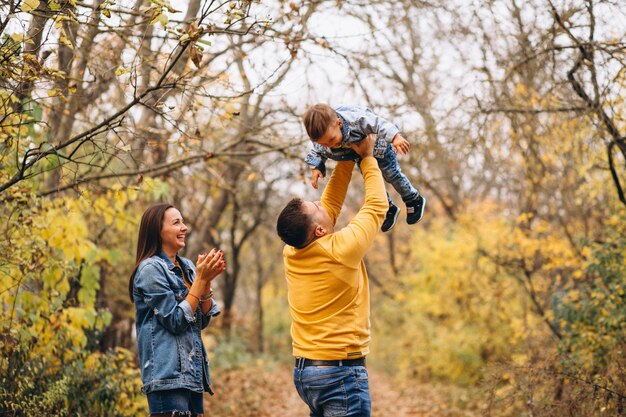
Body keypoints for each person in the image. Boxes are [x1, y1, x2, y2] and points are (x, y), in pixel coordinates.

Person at [276, 134, 387, 417]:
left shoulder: (293, 252)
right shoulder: (341, 249)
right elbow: (376, 207)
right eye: (314, 206)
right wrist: (367, 158)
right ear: (320, 231)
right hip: (340, 375)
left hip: (307, 373)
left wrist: (346, 158)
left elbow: (331, 205)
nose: (320, 203)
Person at [128, 203, 226, 417]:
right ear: (157, 231)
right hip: (166, 379)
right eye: (176, 222)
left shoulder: (188, 267)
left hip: (192, 376)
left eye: (183, 222)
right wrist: (200, 280)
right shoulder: (149, 269)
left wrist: (206, 282)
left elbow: (201, 321)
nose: (185, 227)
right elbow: (175, 320)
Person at [303, 103, 426, 232]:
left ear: (339, 123)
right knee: (371, 180)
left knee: (391, 175)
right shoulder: (322, 140)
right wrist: (316, 167)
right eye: (324, 143)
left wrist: (395, 137)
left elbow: (378, 123)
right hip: (361, 155)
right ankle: (388, 208)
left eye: (331, 139)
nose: (330, 145)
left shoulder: (356, 120)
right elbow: (317, 152)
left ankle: (413, 199)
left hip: (380, 147)